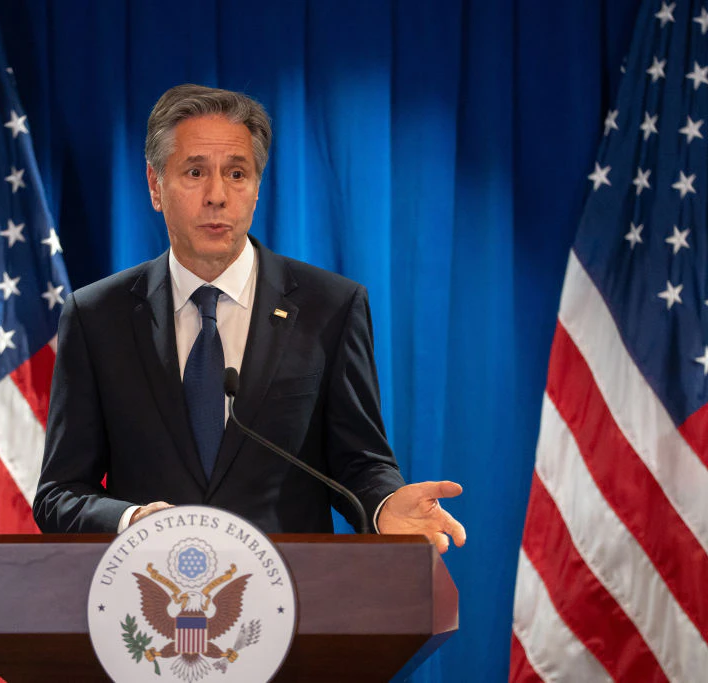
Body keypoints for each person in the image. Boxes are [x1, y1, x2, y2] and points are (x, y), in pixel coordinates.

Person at [33, 84, 466, 552]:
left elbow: (359, 462)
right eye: (195, 171)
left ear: (257, 188)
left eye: (237, 174)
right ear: (156, 186)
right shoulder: (97, 316)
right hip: (149, 594)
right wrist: (132, 519)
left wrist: (383, 508)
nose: (217, 195)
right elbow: (59, 494)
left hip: (293, 602)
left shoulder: (331, 307)